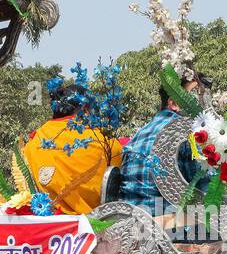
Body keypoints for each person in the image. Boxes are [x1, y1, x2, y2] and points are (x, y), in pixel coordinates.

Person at [22, 84, 123, 214]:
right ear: (85, 109)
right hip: (95, 226)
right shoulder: (106, 141)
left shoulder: (34, 140)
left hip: (46, 225)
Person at [119, 74, 208, 219]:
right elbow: (204, 187)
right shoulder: (185, 132)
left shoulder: (139, 133)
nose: (201, 105)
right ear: (174, 103)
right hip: (167, 227)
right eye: (194, 99)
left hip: (129, 222)